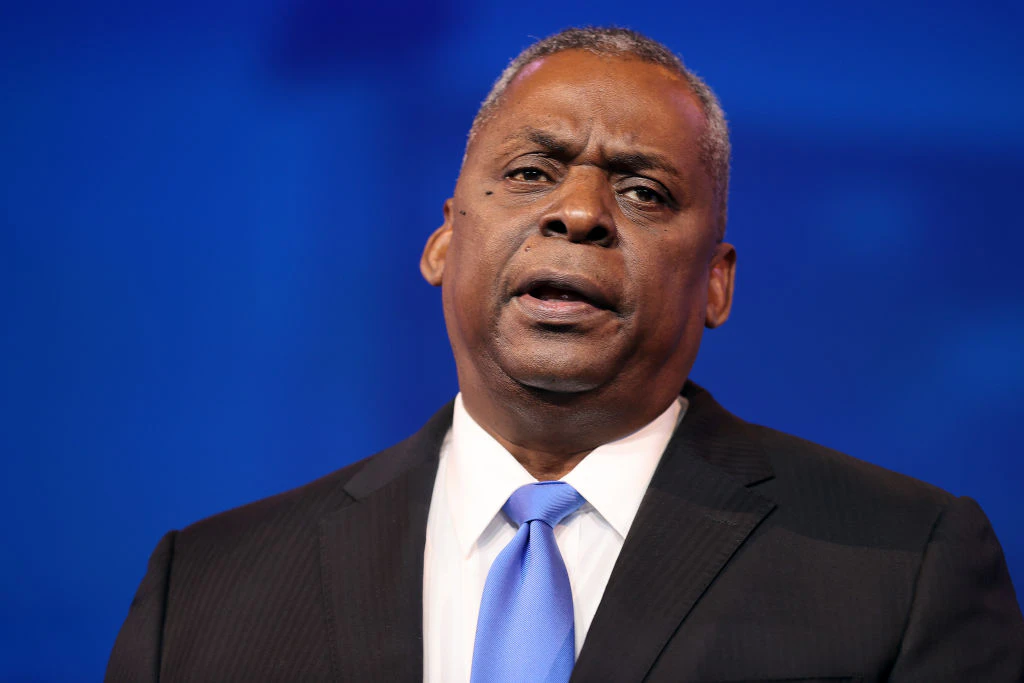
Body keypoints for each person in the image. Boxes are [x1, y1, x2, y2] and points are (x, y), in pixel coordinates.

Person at [106, 27, 1024, 682]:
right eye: (531, 173)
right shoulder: (207, 589)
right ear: (442, 241)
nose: (579, 211)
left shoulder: (902, 567)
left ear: (717, 282)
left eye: (645, 191)